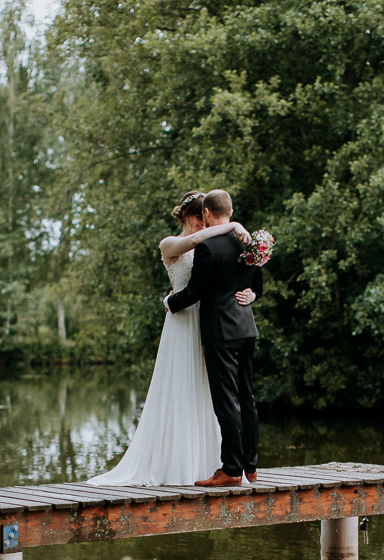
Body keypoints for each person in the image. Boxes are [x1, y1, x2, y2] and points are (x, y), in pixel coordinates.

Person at [87, 191, 255, 486]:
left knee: (210, 394)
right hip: (182, 322)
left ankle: (214, 462)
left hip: (210, 324)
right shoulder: (172, 243)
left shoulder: (214, 244)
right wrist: (231, 225)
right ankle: (176, 463)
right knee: (179, 389)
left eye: (207, 222)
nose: (204, 228)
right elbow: (191, 243)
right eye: (201, 221)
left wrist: (252, 292)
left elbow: (233, 278)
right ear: (193, 218)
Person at [165, 189, 262, 488]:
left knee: (227, 401)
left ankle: (230, 469)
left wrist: (169, 304)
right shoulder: (249, 243)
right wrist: (253, 294)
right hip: (246, 328)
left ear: (207, 213)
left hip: (220, 331)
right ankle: (251, 466)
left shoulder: (209, 247)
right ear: (230, 212)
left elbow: (197, 291)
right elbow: (257, 283)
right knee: (247, 398)